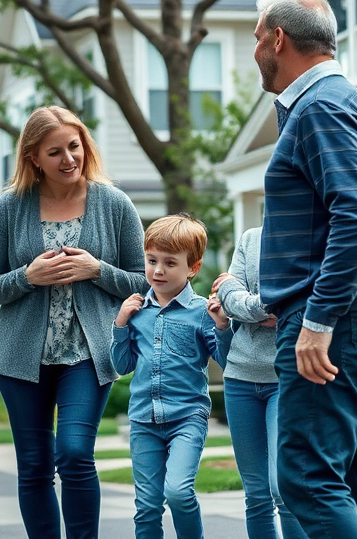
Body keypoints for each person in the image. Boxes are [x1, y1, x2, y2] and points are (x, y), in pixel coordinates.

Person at [252, 0, 357, 539]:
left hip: (337, 324)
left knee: (307, 479)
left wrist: (317, 323)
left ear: (278, 39)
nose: (254, 51)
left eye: (255, 38)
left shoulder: (320, 108)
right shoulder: (347, 103)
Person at [0, 105, 148, 539]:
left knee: (73, 453)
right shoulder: (11, 207)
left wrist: (98, 269)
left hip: (88, 355)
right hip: (20, 359)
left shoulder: (114, 203)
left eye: (75, 146)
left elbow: (146, 281)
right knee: (33, 465)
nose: (69, 159)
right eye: (56, 152)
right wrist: (26, 277)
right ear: (33, 157)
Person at [110, 213, 223, 539]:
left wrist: (223, 326)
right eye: (152, 260)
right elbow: (121, 365)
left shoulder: (202, 312)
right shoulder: (135, 312)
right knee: (146, 505)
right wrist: (119, 325)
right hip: (144, 420)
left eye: (170, 263)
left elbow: (227, 361)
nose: (157, 271)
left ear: (193, 268)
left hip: (187, 418)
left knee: (178, 492)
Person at [210, 228, 307, 539]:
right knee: (256, 494)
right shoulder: (250, 239)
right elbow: (229, 301)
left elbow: (300, 303)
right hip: (239, 379)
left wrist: (242, 302)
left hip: (286, 378)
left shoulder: (307, 236)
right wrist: (267, 308)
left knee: (284, 487)